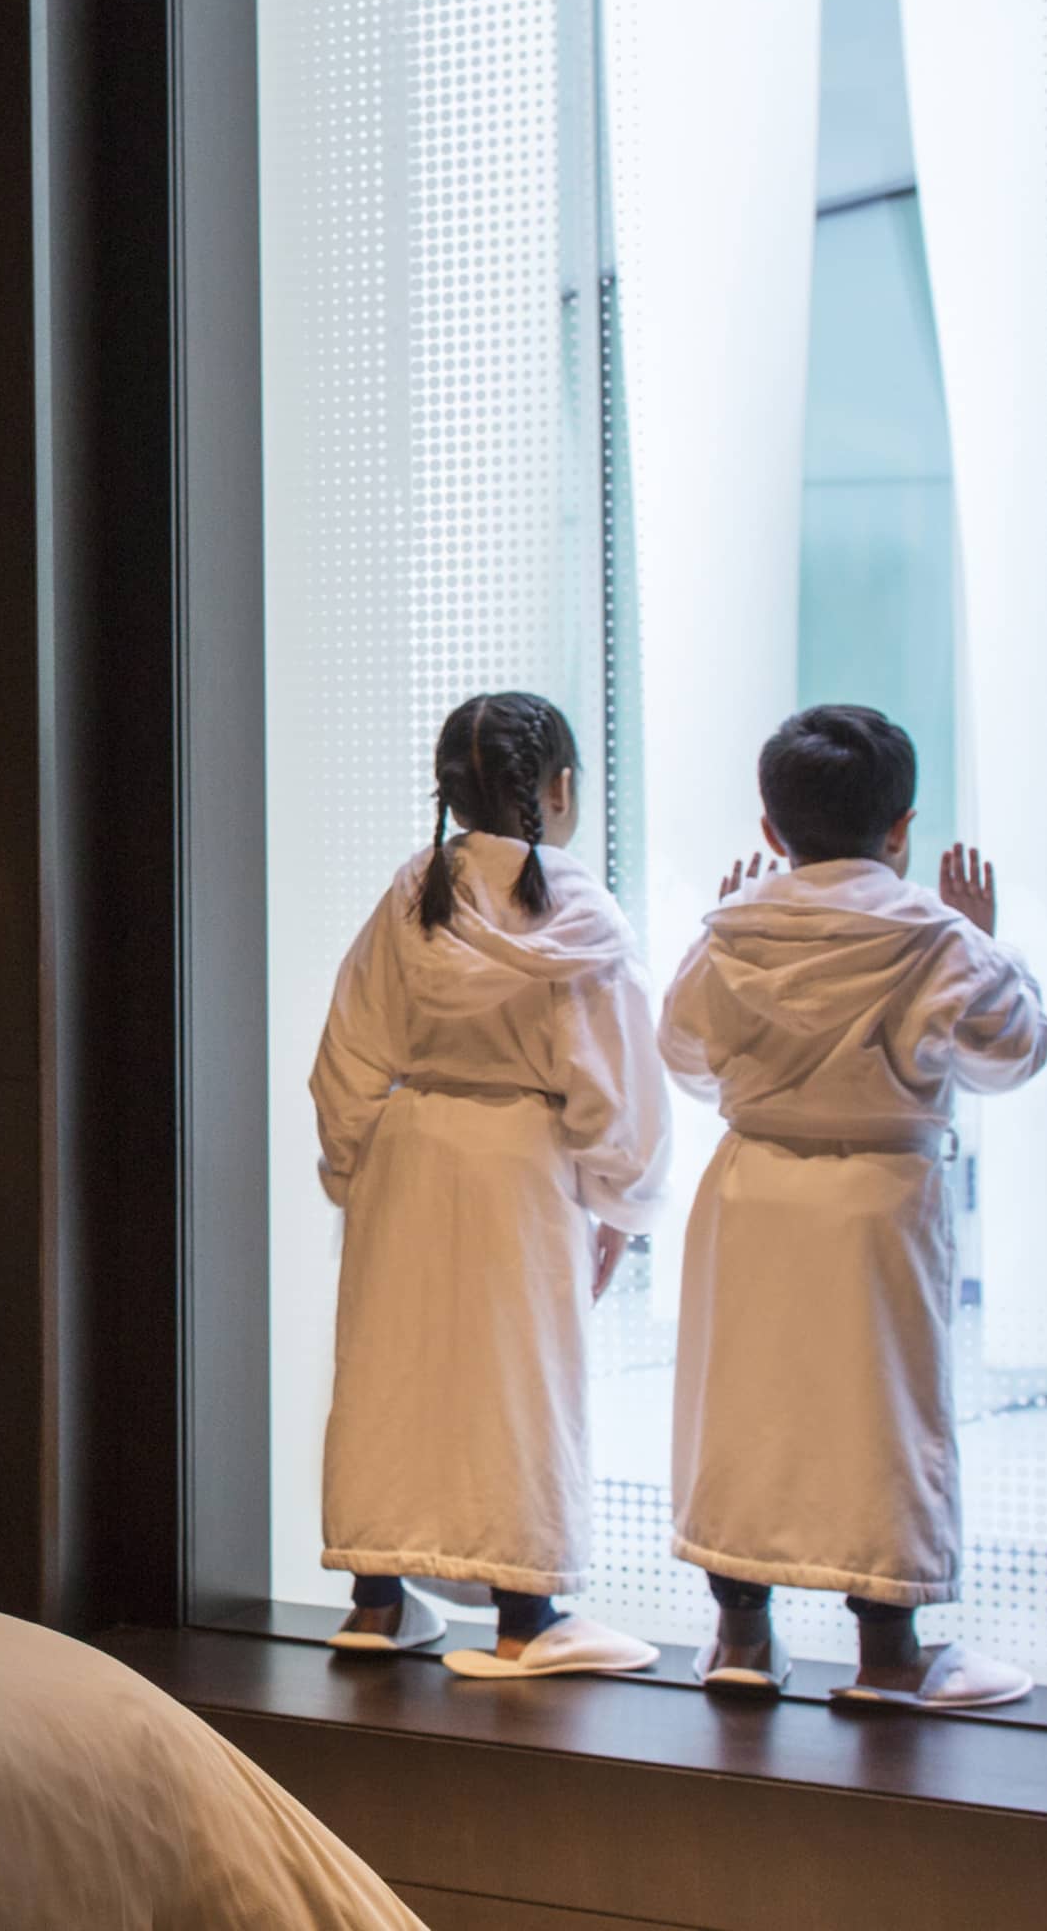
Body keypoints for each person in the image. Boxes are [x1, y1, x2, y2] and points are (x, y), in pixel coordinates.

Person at [659, 704, 1047, 1710]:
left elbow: (685, 1055)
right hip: (880, 1199)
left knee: (741, 1407)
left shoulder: (732, 933)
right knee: (884, 1414)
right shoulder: (934, 937)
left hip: (752, 1192)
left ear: (769, 830)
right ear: (901, 827)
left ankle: (740, 1636)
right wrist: (986, 943)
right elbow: (1012, 1054)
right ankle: (889, 1656)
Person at [313, 691, 670, 1679]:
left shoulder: (412, 893)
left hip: (412, 1150)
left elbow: (348, 1047)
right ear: (558, 791)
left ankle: (376, 1603)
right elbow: (615, 1081)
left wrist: (355, 1167)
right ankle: (527, 1615)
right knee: (520, 1380)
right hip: (523, 1166)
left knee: (394, 1374)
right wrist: (620, 1204)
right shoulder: (580, 915)